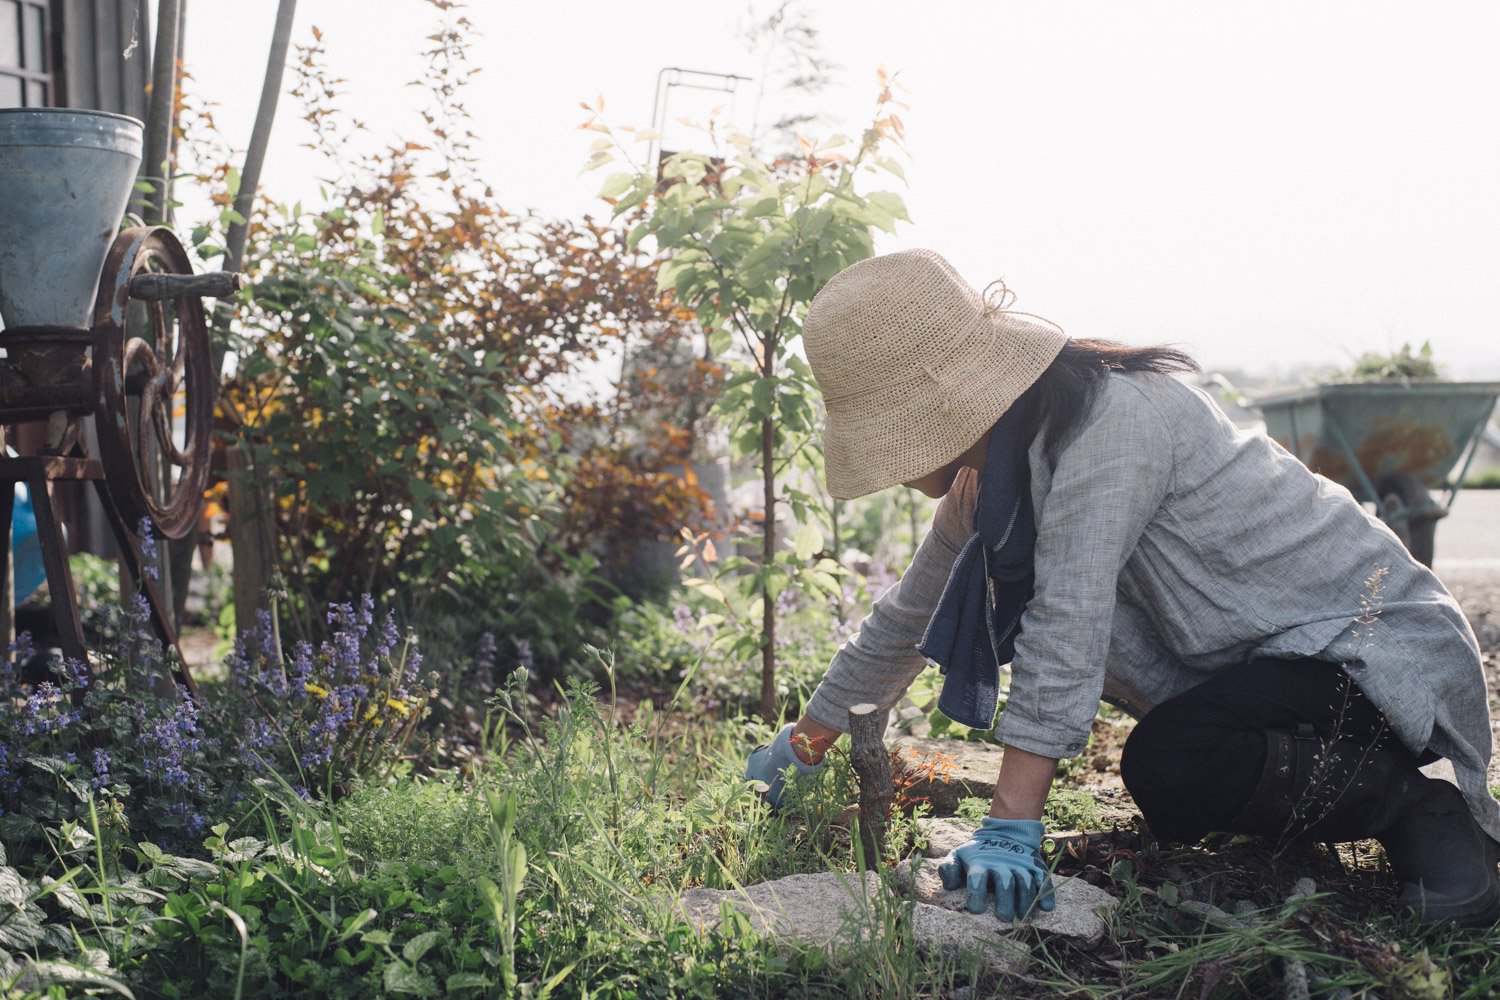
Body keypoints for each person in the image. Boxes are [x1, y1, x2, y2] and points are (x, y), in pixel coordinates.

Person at [744, 248, 1499, 927]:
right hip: (1269, 670)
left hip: (1365, 647)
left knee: (1171, 762)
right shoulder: (988, 485)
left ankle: (1418, 806)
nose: (894, 467)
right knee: (1180, 779)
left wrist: (1012, 825)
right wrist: (805, 744)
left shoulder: (1111, 426)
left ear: (936, 410)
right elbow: (906, 620)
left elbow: (1066, 625)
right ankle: (1321, 791)